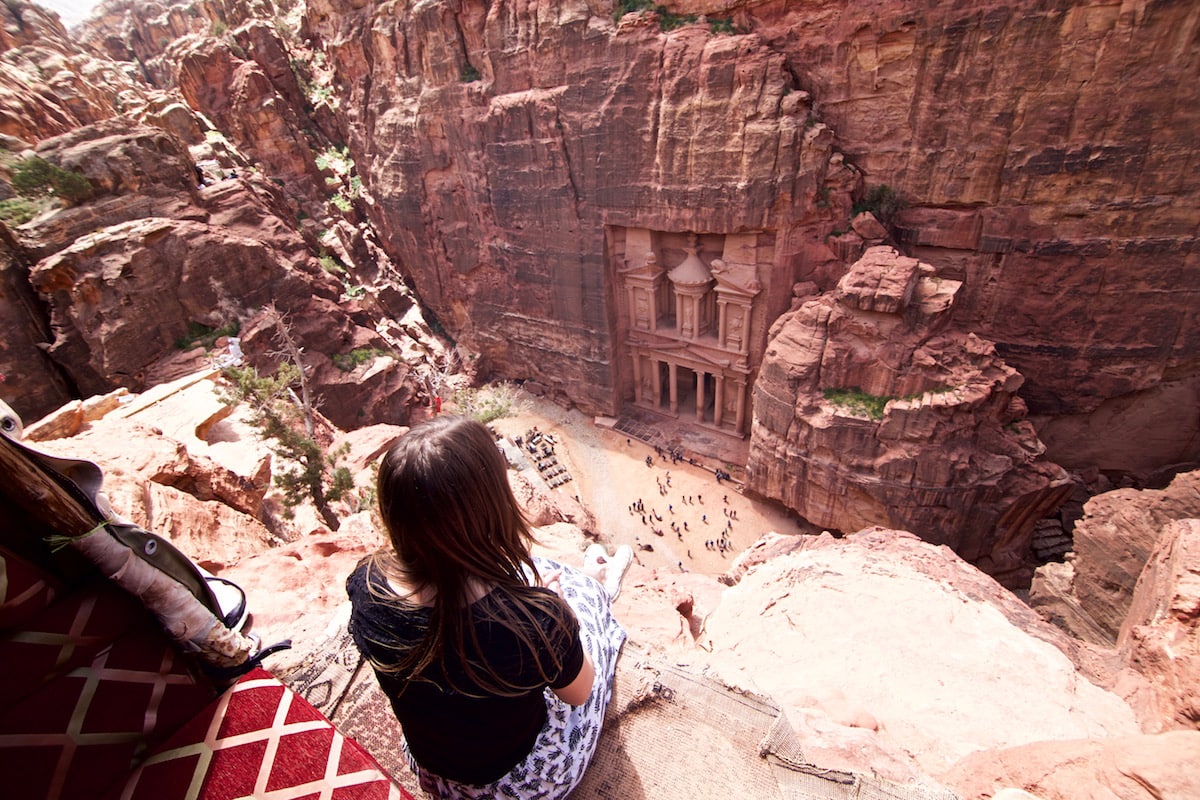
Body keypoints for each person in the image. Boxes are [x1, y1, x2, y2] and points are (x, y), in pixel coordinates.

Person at [346, 416, 630, 799]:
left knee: (539, 582)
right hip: (518, 782)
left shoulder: (366, 586)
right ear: (491, 506)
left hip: (436, 767)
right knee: (582, 596)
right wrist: (561, 613)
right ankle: (600, 585)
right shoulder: (536, 623)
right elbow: (579, 693)